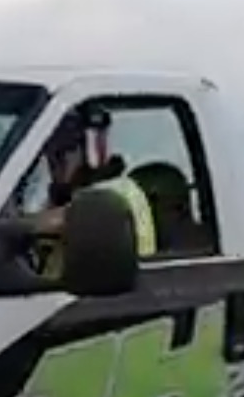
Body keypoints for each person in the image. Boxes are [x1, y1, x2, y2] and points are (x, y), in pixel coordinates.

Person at [22, 105, 156, 273]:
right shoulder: (70, 193)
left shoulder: (115, 190)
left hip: (113, 292)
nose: (53, 165)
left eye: (61, 154)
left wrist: (6, 225)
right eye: (49, 155)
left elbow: (48, 223)